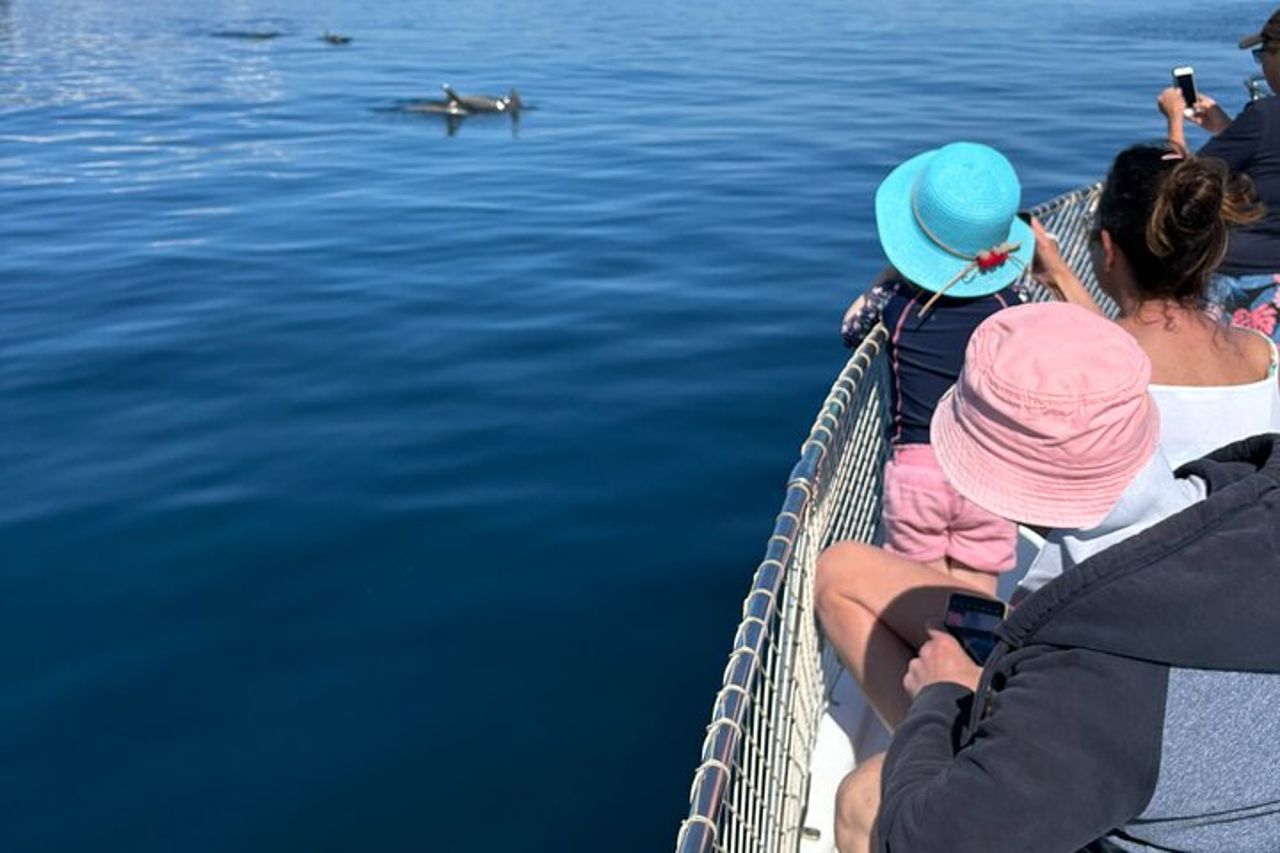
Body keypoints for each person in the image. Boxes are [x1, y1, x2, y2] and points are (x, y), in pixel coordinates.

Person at [840, 301, 1280, 853]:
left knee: (863, 801)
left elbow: (921, 843)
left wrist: (939, 695)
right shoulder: (1251, 489)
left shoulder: (1087, 682)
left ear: (1001, 483)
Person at [818, 141, 1032, 730]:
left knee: (918, 600)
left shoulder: (895, 304)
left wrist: (896, 273)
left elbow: (850, 327)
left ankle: (924, 721)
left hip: (917, 471)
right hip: (987, 473)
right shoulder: (1013, 303)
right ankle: (974, 707)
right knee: (974, 604)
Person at [1031, 142, 1279, 470]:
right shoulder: (1262, 356)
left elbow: (1116, 353)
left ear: (1107, 247)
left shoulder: (1084, 368)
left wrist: (1059, 275)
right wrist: (1058, 277)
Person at [1158, 9, 1280, 336]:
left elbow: (1179, 184)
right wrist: (1227, 130)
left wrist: (1174, 120)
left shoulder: (1265, 115)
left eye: (1262, 54)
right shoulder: (1263, 122)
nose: (1262, 65)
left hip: (1247, 281)